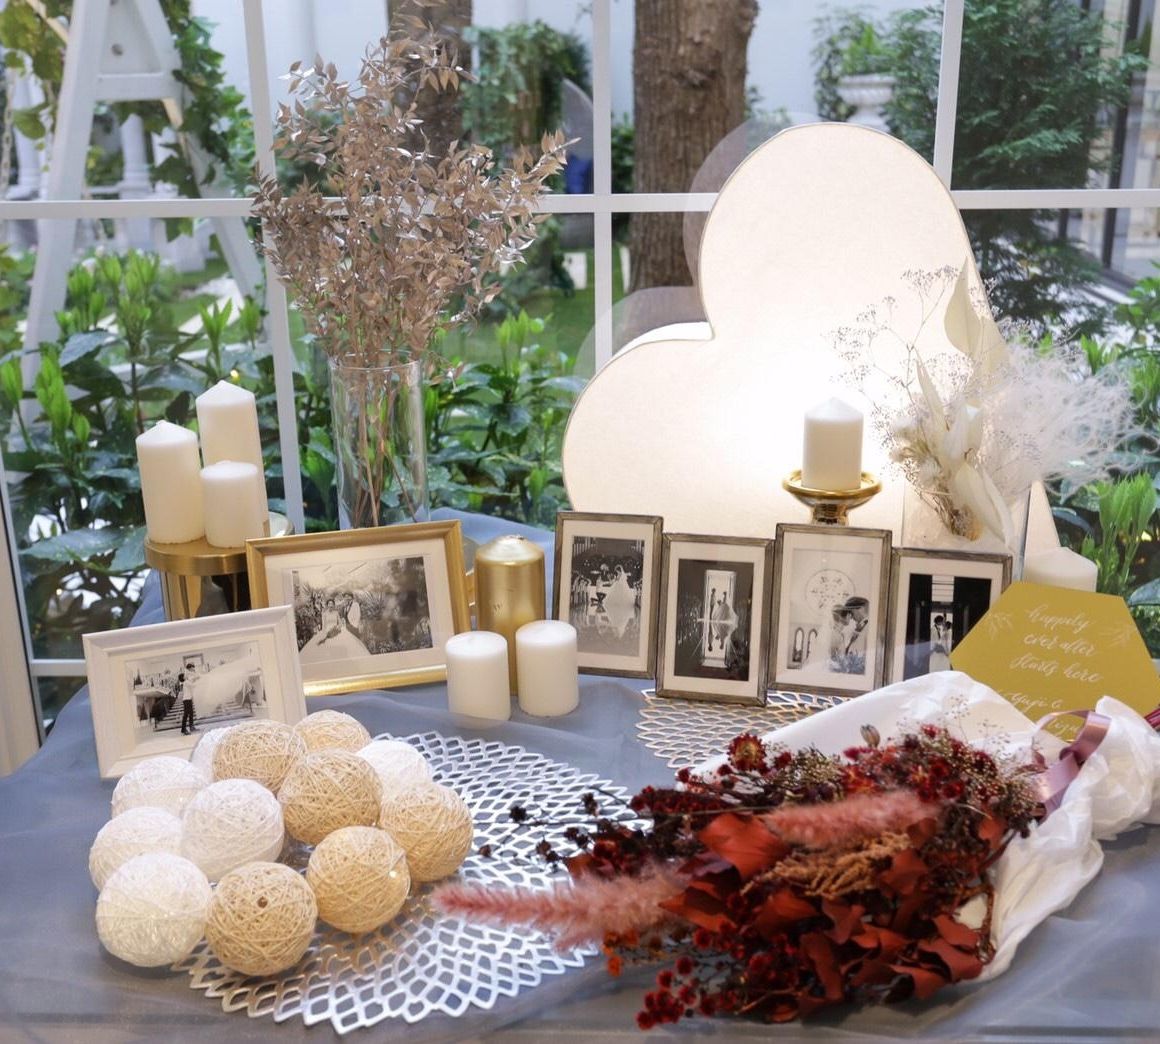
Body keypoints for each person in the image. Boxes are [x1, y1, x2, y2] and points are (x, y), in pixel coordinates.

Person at [179, 661, 198, 735]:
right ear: (183, 678)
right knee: (186, 714)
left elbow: (192, 682)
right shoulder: (186, 682)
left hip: (188, 699)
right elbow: (193, 685)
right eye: (184, 675)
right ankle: (183, 729)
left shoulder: (186, 682)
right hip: (186, 700)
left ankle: (191, 726)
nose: (186, 675)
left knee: (191, 713)